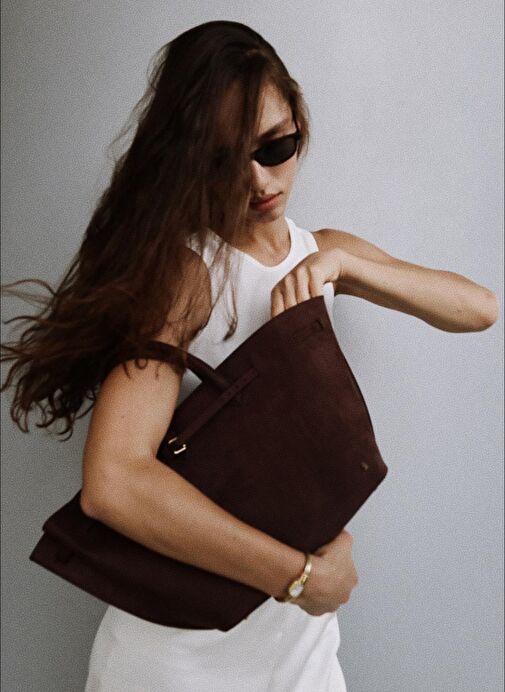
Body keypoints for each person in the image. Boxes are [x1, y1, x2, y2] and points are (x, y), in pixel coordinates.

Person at [1, 20, 497, 692]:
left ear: (300, 123)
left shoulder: (320, 250)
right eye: (222, 160)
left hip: (300, 650)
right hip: (184, 657)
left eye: (276, 146)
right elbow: (113, 481)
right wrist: (300, 577)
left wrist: (348, 264)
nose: (258, 180)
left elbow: (477, 308)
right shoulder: (188, 275)